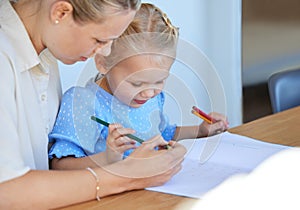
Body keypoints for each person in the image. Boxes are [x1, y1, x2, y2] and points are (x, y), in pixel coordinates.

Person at [0, 0, 186, 209]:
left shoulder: (46, 50)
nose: (105, 53)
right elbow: (6, 192)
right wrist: (129, 174)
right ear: (61, 12)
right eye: (99, 39)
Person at [48, 3, 229, 169]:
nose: (150, 92)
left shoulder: (150, 98)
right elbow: (59, 165)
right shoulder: (82, 103)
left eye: (159, 81)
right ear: (103, 63)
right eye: (137, 83)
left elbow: (163, 132)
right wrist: (109, 157)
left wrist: (200, 130)